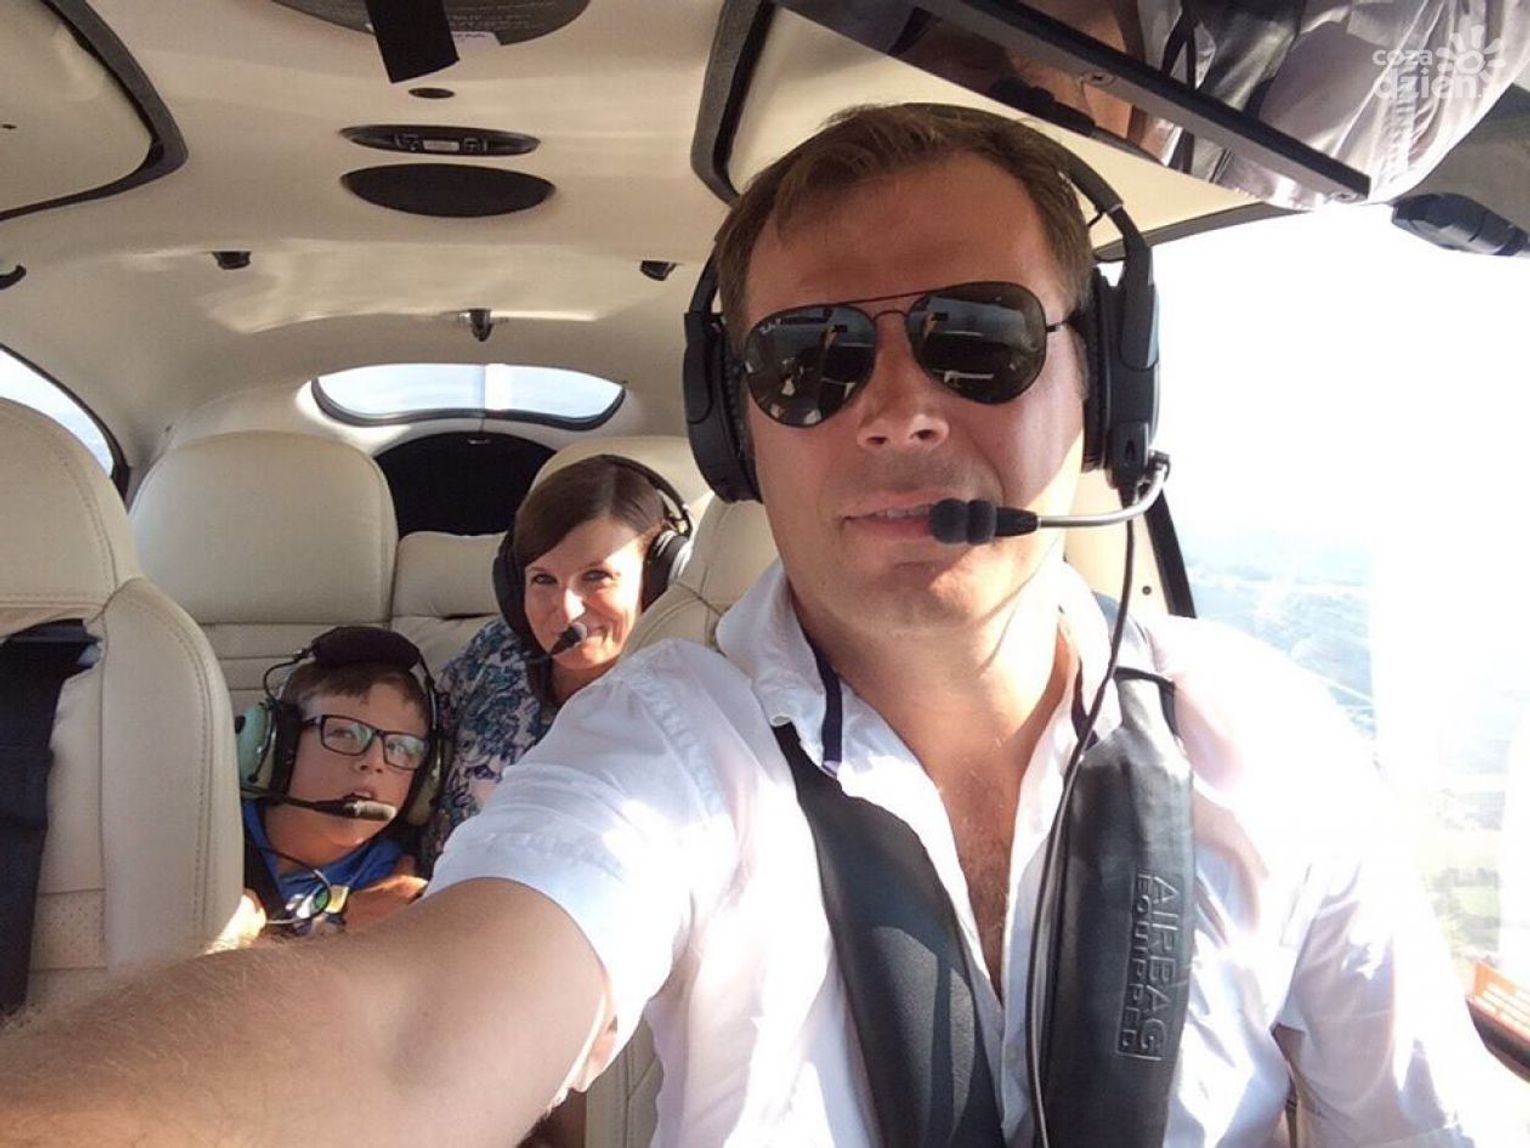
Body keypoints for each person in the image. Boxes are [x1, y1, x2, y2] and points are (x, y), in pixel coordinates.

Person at [0, 103, 1511, 1147]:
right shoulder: (665, 751)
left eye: (978, 336)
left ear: (1104, 382)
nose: (898, 409)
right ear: (739, 433)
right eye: (810, 361)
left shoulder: (1272, 746)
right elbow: (409, 1042)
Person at [421, 453, 687, 868]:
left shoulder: (684, 700)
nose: (565, 610)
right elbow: (415, 763)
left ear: (656, 580)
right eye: (543, 579)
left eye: (596, 576)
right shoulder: (497, 651)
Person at [236, 627, 437, 939]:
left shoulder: (397, 890)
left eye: (402, 747)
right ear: (279, 746)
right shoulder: (203, 839)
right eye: (344, 733)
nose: (374, 761)